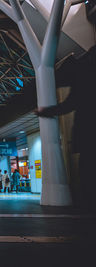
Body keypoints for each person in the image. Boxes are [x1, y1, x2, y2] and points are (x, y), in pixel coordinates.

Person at [34, 45, 95, 211]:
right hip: (88, 134)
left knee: (88, 174)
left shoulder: (85, 73)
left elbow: (71, 103)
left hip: (89, 135)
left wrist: (45, 111)